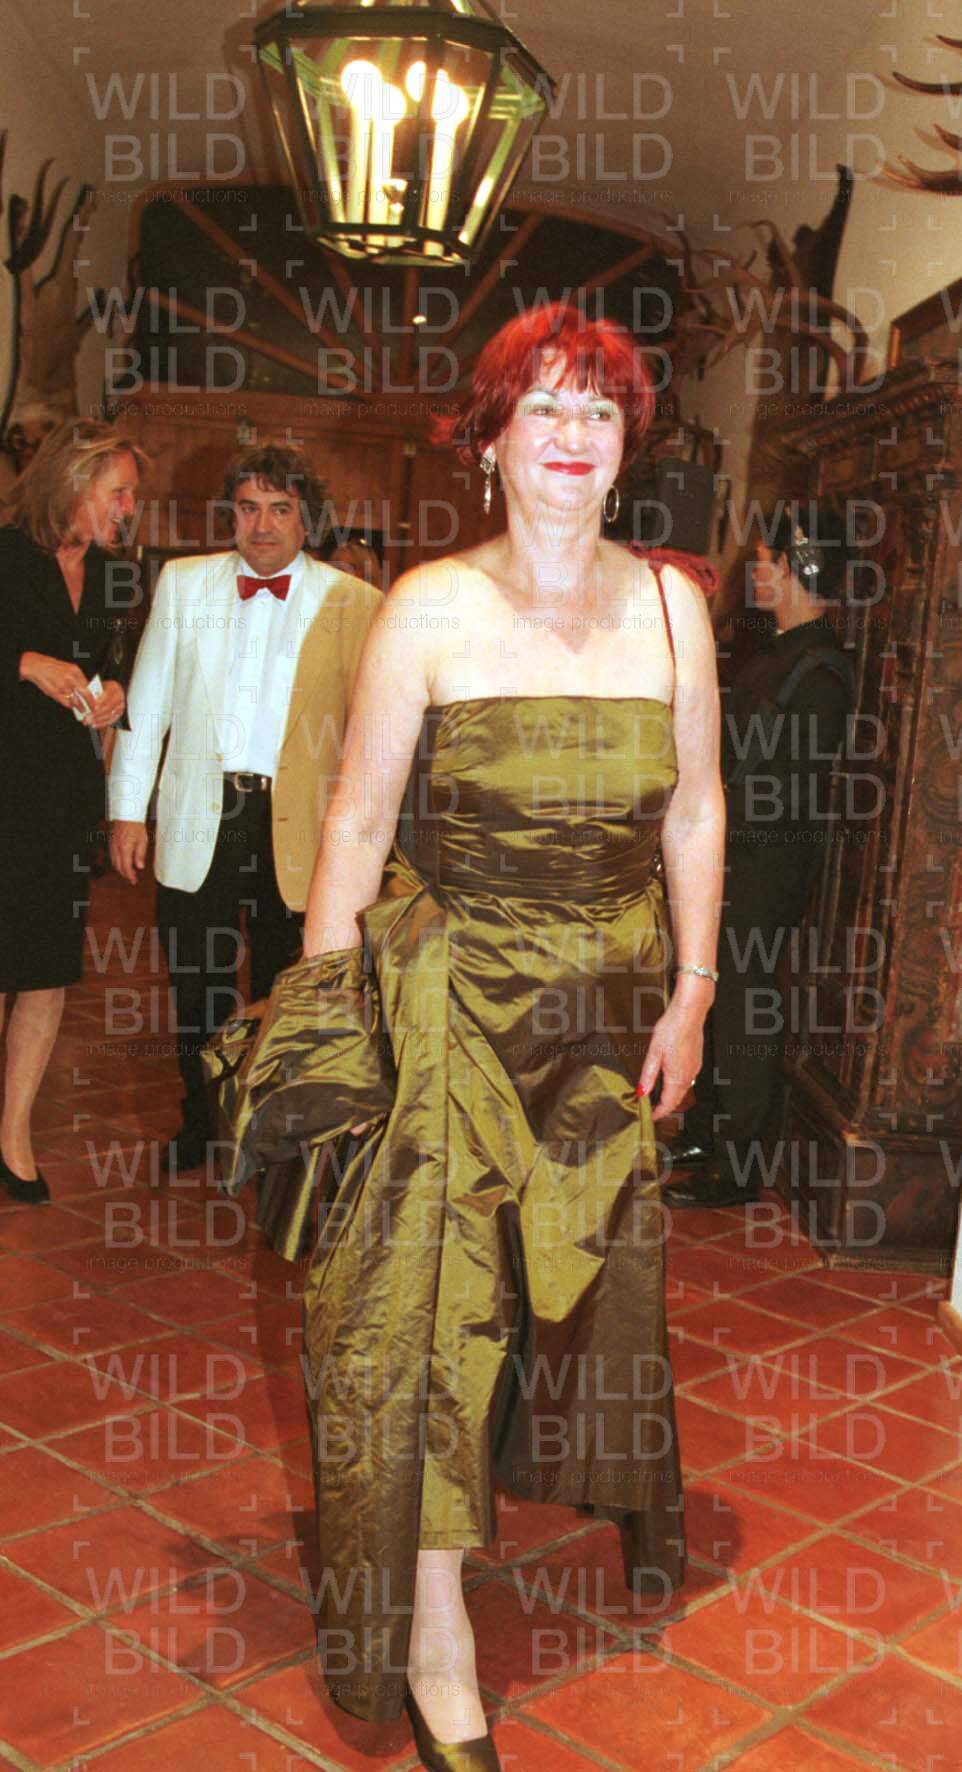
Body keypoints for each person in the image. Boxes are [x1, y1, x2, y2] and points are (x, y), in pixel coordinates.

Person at [210, 303, 724, 1769]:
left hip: (606, 1016)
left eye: (599, 412)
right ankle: (435, 1633)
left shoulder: (673, 609)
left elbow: (694, 807)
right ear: (490, 439)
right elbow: (357, 821)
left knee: (586, 1279)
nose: (570, 436)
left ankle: (604, 1492)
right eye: (541, 408)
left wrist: (694, 988)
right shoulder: (428, 608)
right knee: (427, 1315)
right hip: (452, 1008)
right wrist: (332, 1028)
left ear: (626, 447)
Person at [107, 443, 382, 1172]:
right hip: (201, 815)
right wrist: (127, 812)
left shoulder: (354, 602)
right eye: (249, 507)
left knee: (284, 988)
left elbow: (372, 733)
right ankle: (200, 1122)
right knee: (195, 981)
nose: (262, 525)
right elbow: (147, 706)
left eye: (280, 509)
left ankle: (270, 1133)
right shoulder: (183, 583)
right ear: (230, 515)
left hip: (299, 828)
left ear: (306, 520)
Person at [665, 502, 854, 1209]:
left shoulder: (820, 669)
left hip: (764, 862)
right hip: (731, 852)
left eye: (768, 561)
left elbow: (787, 787)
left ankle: (738, 1164)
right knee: (716, 1000)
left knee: (746, 1006)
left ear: (801, 566)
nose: (757, 573)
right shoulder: (771, 653)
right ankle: (708, 1132)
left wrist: (722, 831)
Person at [0, 418, 143, 1203]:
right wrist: (23, 663)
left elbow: (120, 661)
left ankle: (13, 1135)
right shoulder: (5, 555)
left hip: (62, 797)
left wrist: (116, 690)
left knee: (46, 971)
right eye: (117, 491)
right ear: (73, 481)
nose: (128, 507)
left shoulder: (118, 575)